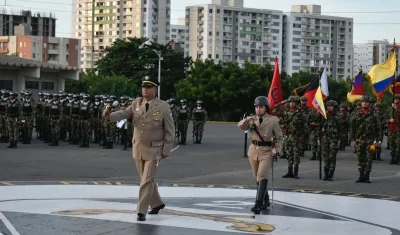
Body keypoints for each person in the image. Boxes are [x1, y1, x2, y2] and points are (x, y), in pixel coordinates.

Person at [103, 75, 175, 221]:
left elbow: (170, 130)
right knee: (146, 179)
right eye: (143, 87)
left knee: (146, 180)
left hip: (154, 149)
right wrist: (109, 115)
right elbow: (123, 113)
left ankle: (141, 210)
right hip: (138, 148)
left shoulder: (163, 107)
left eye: (148, 87)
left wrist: (166, 150)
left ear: (155, 89)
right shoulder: (136, 104)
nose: (145, 90)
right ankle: (157, 204)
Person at [237, 96, 283, 214]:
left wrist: (276, 150)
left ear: (266, 108)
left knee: (262, 175)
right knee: (256, 176)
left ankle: (258, 204)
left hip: (267, 151)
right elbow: (241, 126)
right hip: (253, 151)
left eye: (261, 107)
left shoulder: (273, 120)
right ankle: (266, 199)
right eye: (256, 107)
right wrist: (247, 119)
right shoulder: (252, 119)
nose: (258, 109)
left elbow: (279, 138)